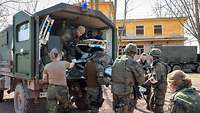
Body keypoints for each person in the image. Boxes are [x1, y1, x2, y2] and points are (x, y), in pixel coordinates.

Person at [111, 43, 145, 113]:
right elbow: (141, 78)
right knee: (127, 109)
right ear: (134, 52)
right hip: (126, 91)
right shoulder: (132, 62)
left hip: (115, 89)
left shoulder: (117, 60)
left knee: (117, 109)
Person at [41, 48, 75, 113]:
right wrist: (73, 61)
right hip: (62, 90)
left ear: (50, 56)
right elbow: (71, 66)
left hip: (51, 90)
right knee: (65, 108)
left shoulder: (47, 66)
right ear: (58, 55)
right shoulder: (64, 63)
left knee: (52, 110)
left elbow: (44, 80)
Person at [85, 48, 111, 113]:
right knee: (95, 107)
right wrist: (108, 82)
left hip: (88, 87)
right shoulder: (99, 67)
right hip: (95, 88)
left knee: (91, 105)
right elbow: (100, 80)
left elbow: (84, 75)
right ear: (99, 58)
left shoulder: (87, 64)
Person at [148, 48, 168, 113]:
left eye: (150, 56)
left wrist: (144, 84)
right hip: (156, 89)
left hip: (160, 90)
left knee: (158, 108)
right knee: (152, 105)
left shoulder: (159, 66)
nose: (149, 57)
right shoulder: (155, 64)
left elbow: (154, 79)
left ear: (153, 56)